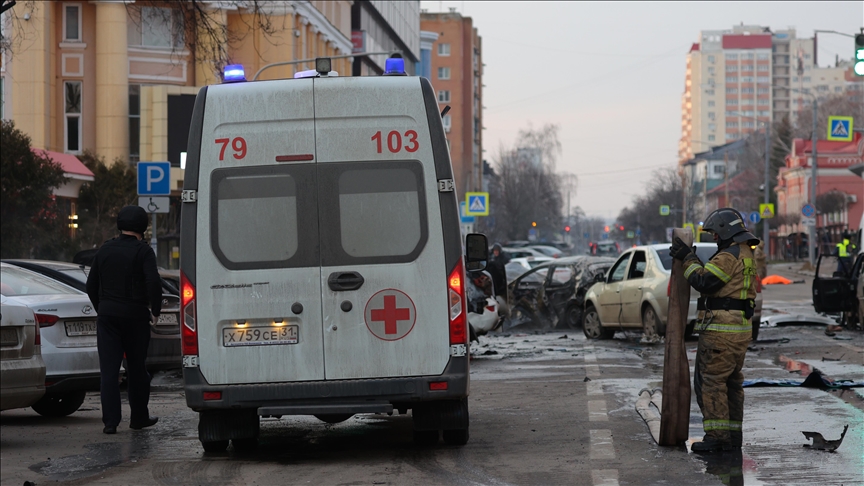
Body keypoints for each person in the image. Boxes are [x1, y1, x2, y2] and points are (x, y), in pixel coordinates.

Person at [669, 208, 759, 453]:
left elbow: (704, 282)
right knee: (732, 384)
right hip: (739, 330)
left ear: (726, 230)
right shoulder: (746, 253)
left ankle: (717, 438)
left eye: (716, 234)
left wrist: (687, 258)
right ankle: (732, 436)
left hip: (721, 332)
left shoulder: (728, 256)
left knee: (712, 383)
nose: (715, 238)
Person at [86, 206, 162, 434]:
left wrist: (102, 308)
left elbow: (91, 284)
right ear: (143, 227)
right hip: (135, 317)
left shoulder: (104, 250)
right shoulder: (144, 251)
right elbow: (153, 282)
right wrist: (155, 310)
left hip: (108, 317)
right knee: (137, 368)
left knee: (109, 371)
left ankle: (110, 422)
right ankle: (138, 418)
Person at [487, 243, 510, 317]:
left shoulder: (503, 259)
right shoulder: (491, 259)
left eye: (497, 251)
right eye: (495, 251)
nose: (496, 252)